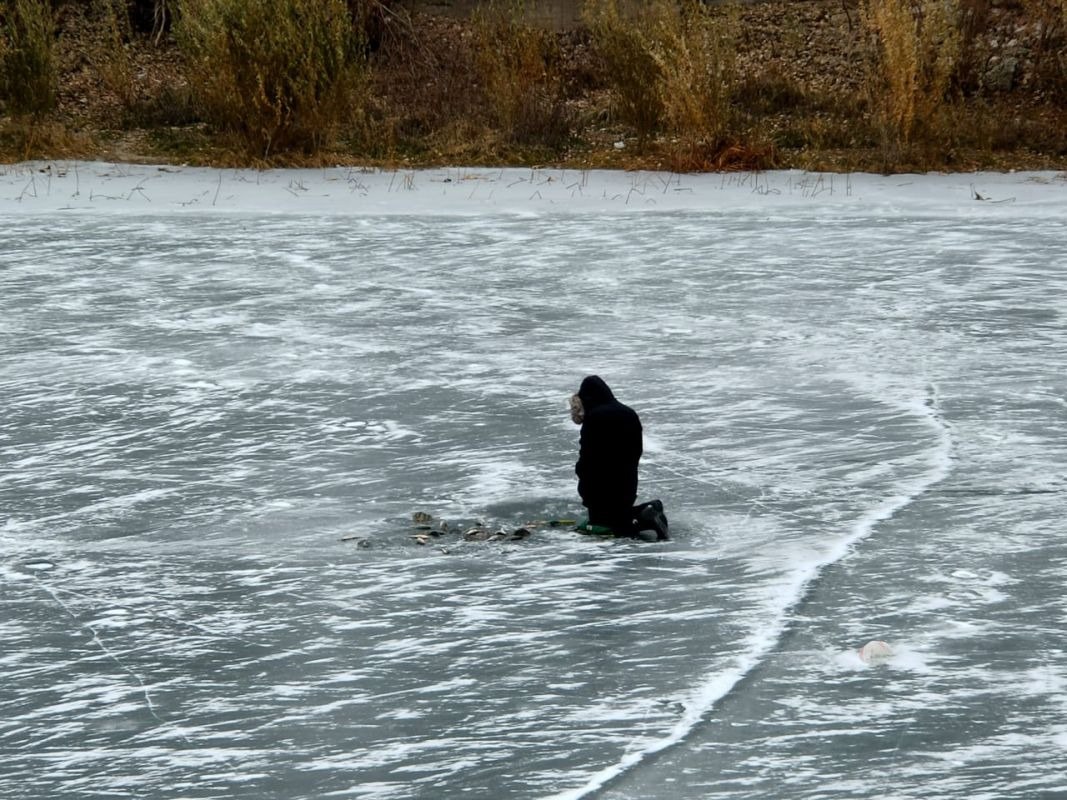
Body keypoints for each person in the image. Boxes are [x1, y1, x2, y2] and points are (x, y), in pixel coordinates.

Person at [570, 375, 669, 541]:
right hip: (627, 484)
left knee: (608, 525)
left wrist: (582, 480)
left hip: (600, 489)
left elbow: (588, 458)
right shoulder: (629, 413)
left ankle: (645, 515)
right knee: (618, 516)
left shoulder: (594, 417)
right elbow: (637, 451)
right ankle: (649, 510)